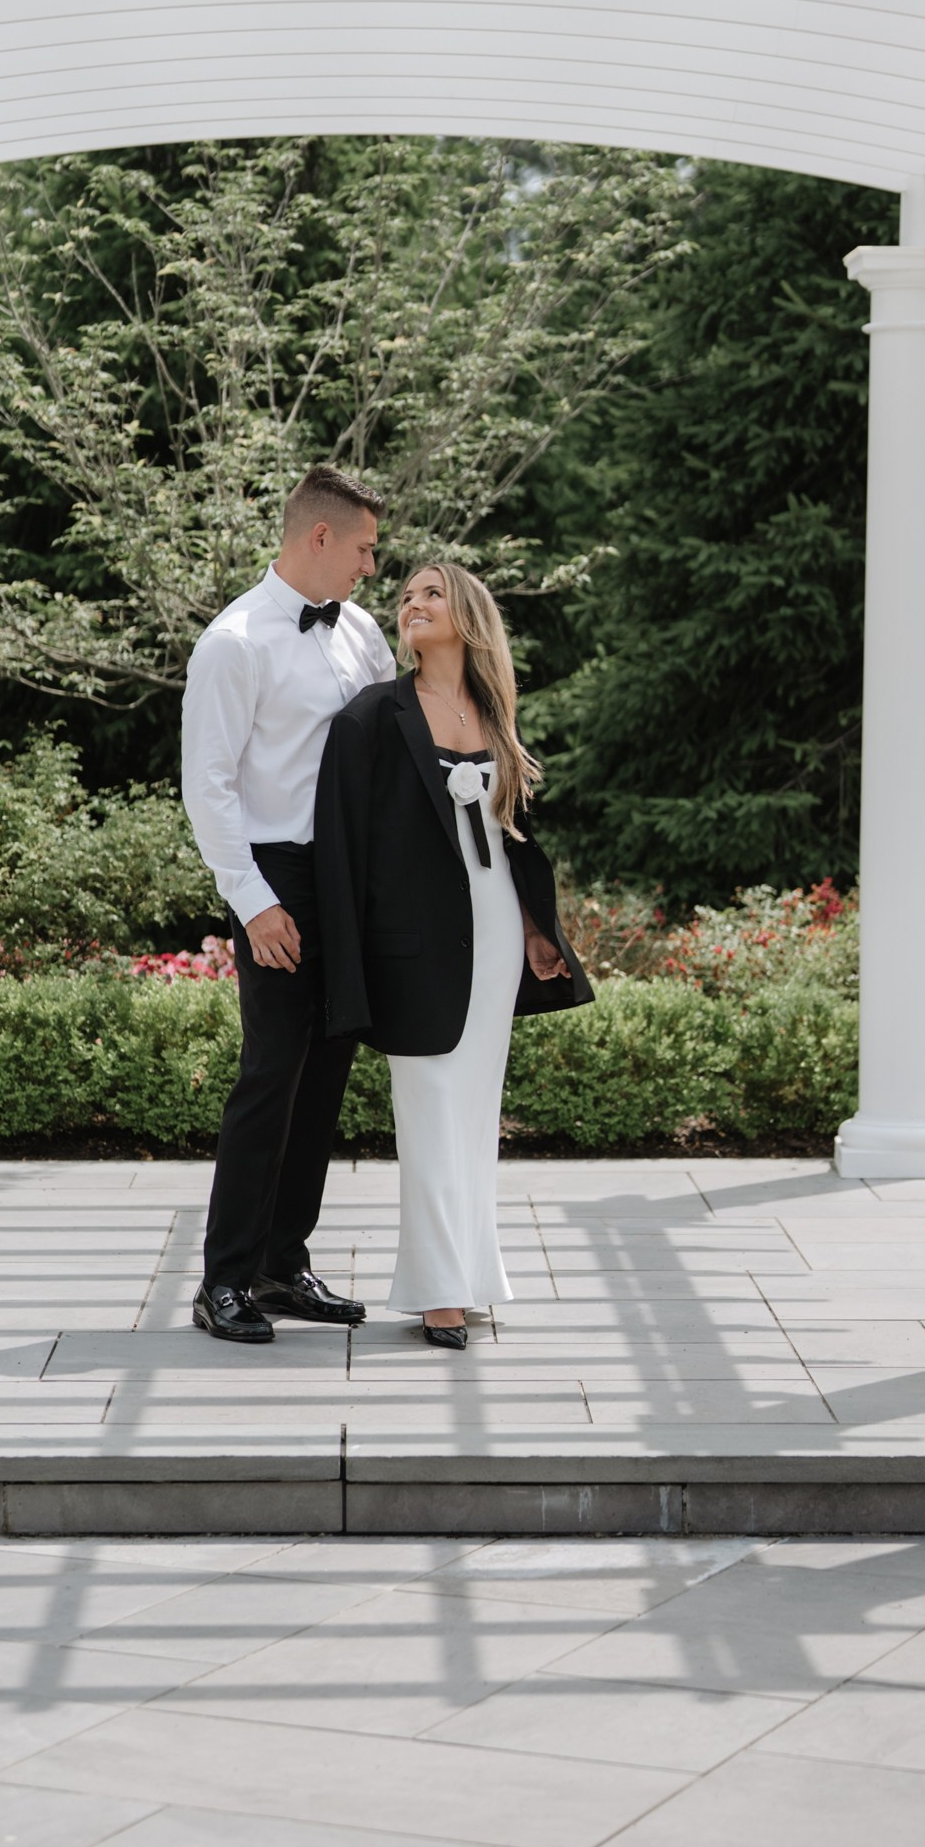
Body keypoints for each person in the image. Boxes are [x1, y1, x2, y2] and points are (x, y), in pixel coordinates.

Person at [313, 561, 591, 1345]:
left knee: (473, 1115)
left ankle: (472, 1274)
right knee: (431, 1113)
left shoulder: (496, 714)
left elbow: (514, 838)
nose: (412, 603)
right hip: (413, 947)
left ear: (467, 614)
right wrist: (349, 966)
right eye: (406, 596)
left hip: (496, 935)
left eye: (431, 593)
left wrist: (537, 930)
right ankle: (438, 1289)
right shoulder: (372, 716)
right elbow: (342, 848)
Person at [180, 466, 394, 1343]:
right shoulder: (233, 643)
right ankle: (223, 1280)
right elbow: (209, 785)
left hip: (350, 875)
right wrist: (254, 902)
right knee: (272, 1073)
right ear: (320, 537)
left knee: (329, 1068)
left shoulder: (362, 632)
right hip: (277, 876)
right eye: (365, 550)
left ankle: (281, 1263)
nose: (371, 567)